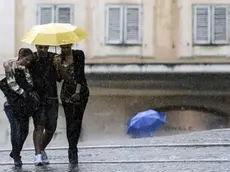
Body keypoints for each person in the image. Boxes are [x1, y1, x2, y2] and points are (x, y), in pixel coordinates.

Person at [0, 48, 41, 166]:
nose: (28, 62)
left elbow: (30, 82)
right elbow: (11, 83)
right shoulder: (11, 66)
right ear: (21, 57)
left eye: (29, 60)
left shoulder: (26, 68)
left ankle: (15, 151)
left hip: (24, 105)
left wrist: (26, 72)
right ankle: (17, 157)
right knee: (16, 128)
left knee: (24, 130)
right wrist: (24, 93)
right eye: (26, 59)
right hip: (12, 104)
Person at [53, 44, 89, 165]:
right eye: (62, 47)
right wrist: (58, 66)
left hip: (80, 91)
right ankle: (72, 149)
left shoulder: (79, 54)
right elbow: (59, 79)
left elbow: (80, 74)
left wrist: (78, 91)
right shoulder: (58, 58)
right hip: (67, 92)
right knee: (70, 121)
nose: (65, 50)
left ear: (71, 45)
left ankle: (74, 146)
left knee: (77, 120)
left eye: (67, 47)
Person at [29, 45, 59, 164]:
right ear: (36, 46)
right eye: (40, 47)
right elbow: (20, 62)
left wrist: (58, 66)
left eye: (45, 47)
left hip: (52, 97)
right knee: (39, 126)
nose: (43, 50)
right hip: (37, 98)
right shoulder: (32, 58)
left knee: (51, 128)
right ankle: (37, 156)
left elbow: (59, 78)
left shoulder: (54, 57)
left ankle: (41, 150)